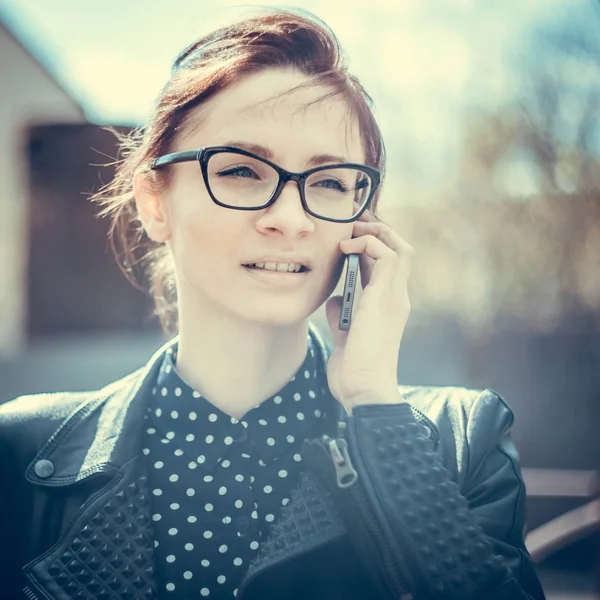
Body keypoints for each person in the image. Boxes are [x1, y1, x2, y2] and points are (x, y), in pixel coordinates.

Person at [0, 8, 545, 600]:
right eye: (240, 171)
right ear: (155, 204)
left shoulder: (462, 441)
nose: (290, 219)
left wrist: (377, 413)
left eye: (332, 181)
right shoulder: (19, 454)